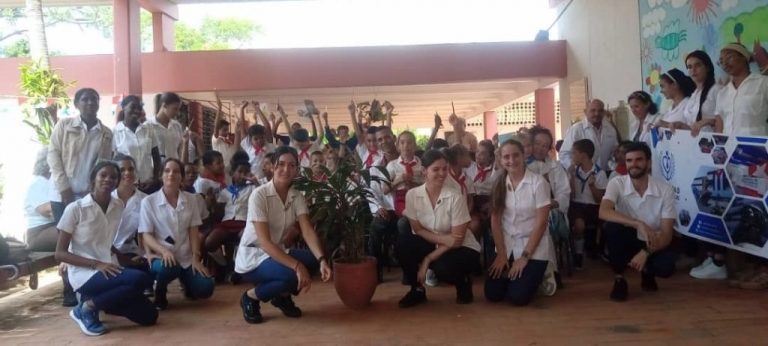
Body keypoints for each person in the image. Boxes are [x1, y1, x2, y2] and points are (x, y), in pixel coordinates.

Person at [55, 161, 157, 336]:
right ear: (93, 179)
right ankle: (86, 308)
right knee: (139, 279)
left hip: (109, 269)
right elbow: (60, 253)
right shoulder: (75, 209)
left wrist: (124, 259)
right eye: (103, 175)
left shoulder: (117, 206)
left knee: (150, 316)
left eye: (113, 177)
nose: (108, 179)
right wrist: (97, 264)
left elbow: (105, 241)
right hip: (84, 273)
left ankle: (101, 302)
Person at [235, 146, 332, 324]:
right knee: (289, 276)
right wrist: (296, 266)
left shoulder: (296, 197)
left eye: (291, 165)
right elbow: (264, 243)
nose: (286, 169)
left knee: (311, 261)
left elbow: (307, 230)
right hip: (254, 256)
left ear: (297, 169)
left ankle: (281, 296)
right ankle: (250, 297)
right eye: (281, 164)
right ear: (272, 166)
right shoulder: (259, 195)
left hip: (276, 252)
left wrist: (322, 259)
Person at [48, 87, 114, 307]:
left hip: (89, 196)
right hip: (62, 194)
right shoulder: (64, 126)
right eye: (85, 99)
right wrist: (64, 188)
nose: (90, 103)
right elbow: (54, 155)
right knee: (66, 245)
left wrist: (92, 192)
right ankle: (69, 290)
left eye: (94, 99)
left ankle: (87, 286)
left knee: (85, 241)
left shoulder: (106, 133)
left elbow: (102, 164)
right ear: (76, 103)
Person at [396, 149, 480, 307]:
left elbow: (457, 240)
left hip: (462, 247)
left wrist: (428, 259)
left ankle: (463, 282)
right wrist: (445, 239)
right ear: (424, 171)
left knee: (443, 269)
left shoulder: (455, 196)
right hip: (437, 240)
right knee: (403, 245)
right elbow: (417, 229)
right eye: (436, 169)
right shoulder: (412, 195)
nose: (442, 173)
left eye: (444, 169)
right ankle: (417, 290)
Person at [599, 142, 677, 302]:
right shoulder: (617, 183)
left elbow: (667, 234)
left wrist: (646, 253)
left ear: (648, 163)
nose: (633, 164)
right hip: (627, 236)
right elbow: (603, 211)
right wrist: (637, 223)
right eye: (629, 160)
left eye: (639, 160)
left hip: (652, 240)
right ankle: (620, 279)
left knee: (666, 267)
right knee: (613, 228)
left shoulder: (665, 189)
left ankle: (647, 271)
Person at [484, 139, 556, 305]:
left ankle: (544, 273)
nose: (511, 161)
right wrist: (501, 254)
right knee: (493, 294)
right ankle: (521, 278)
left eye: (515, 155)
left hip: (533, 247)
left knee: (518, 297)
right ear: (501, 160)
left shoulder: (538, 183)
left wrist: (524, 258)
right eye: (506, 157)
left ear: (523, 156)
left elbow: (542, 222)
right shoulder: (500, 183)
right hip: (507, 245)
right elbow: (495, 220)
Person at [140, 158, 215, 310]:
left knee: (206, 288)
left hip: (186, 256)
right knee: (168, 267)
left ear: (181, 176)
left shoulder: (191, 199)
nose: (171, 174)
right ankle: (160, 292)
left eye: (176, 171)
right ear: (161, 175)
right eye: (167, 171)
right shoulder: (148, 201)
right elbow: (146, 234)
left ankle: (187, 282)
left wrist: (196, 257)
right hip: (162, 256)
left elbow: (194, 230)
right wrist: (164, 251)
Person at [568, 139, 608, 269]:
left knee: (601, 224)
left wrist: (592, 185)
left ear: (583, 155)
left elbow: (599, 200)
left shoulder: (600, 173)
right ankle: (578, 254)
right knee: (579, 224)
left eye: (574, 153)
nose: (571, 156)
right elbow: (572, 195)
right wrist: (571, 178)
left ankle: (597, 248)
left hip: (594, 206)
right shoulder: (574, 171)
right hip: (577, 205)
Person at [714, 42, 768, 136]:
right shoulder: (722, 93)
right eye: (721, 61)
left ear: (744, 57)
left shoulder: (763, 83)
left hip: (757, 148)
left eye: (729, 57)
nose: (725, 64)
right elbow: (719, 126)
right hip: (729, 148)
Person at [112, 95, 162, 193]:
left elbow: (156, 157)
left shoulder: (148, 130)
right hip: (126, 185)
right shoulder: (115, 132)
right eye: (133, 107)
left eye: (139, 108)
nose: (136, 111)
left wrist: (154, 179)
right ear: (123, 107)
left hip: (148, 185)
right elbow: (112, 162)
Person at [111, 154, 150, 273]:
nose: (127, 173)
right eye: (122, 170)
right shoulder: (107, 197)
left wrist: (144, 254)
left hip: (128, 251)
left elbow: (146, 232)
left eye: (131, 169)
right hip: (103, 251)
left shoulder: (145, 200)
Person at [559, 99, 620, 171]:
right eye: (593, 110)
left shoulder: (610, 129)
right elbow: (564, 154)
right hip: (581, 177)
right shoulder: (576, 129)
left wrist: (614, 168)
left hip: (604, 174)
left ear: (604, 112)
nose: (597, 113)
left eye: (600, 110)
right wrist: (578, 171)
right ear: (585, 112)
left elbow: (614, 154)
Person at [25, 148, 58, 252]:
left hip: (53, 228)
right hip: (38, 233)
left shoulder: (52, 182)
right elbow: (49, 211)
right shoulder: (37, 183)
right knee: (77, 232)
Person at [685, 50, 721, 136]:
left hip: (712, 144)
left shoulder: (717, 90)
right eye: (689, 67)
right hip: (693, 143)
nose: (693, 70)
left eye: (697, 65)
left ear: (707, 67)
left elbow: (726, 119)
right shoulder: (694, 95)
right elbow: (692, 125)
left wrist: (707, 121)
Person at [149, 92, 184, 160]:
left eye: (178, 109)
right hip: (156, 168)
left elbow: (180, 149)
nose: (177, 113)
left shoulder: (177, 126)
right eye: (175, 109)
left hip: (174, 167)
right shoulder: (148, 125)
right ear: (164, 106)